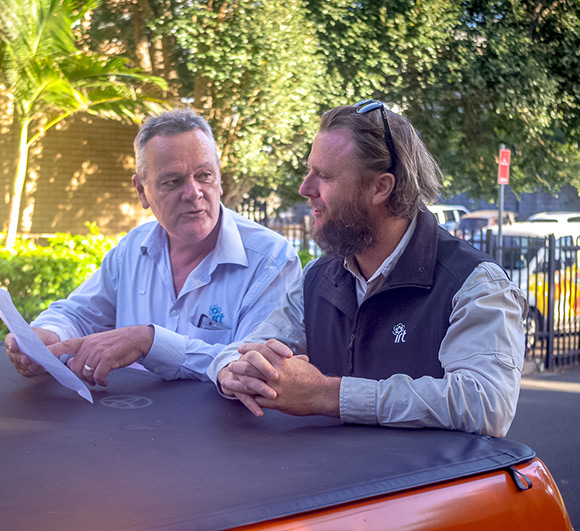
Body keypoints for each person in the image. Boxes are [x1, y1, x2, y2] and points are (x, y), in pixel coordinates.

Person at [208, 100, 528, 437]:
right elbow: (245, 348)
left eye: (324, 176)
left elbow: (486, 404)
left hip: (425, 489)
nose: (305, 188)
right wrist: (234, 372)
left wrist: (329, 395)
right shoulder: (318, 277)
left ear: (381, 187)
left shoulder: (475, 283)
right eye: (309, 170)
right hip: (335, 487)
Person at [5, 109, 301, 386]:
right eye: (172, 182)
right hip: (124, 426)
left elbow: (252, 368)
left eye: (204, 175)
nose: (193, 192)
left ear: (220, 179)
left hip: (226, 434)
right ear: (141, 191)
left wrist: (150, 342)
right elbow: (79, 314)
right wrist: (48, 336)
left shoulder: (271, 260)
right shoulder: (134, 248)